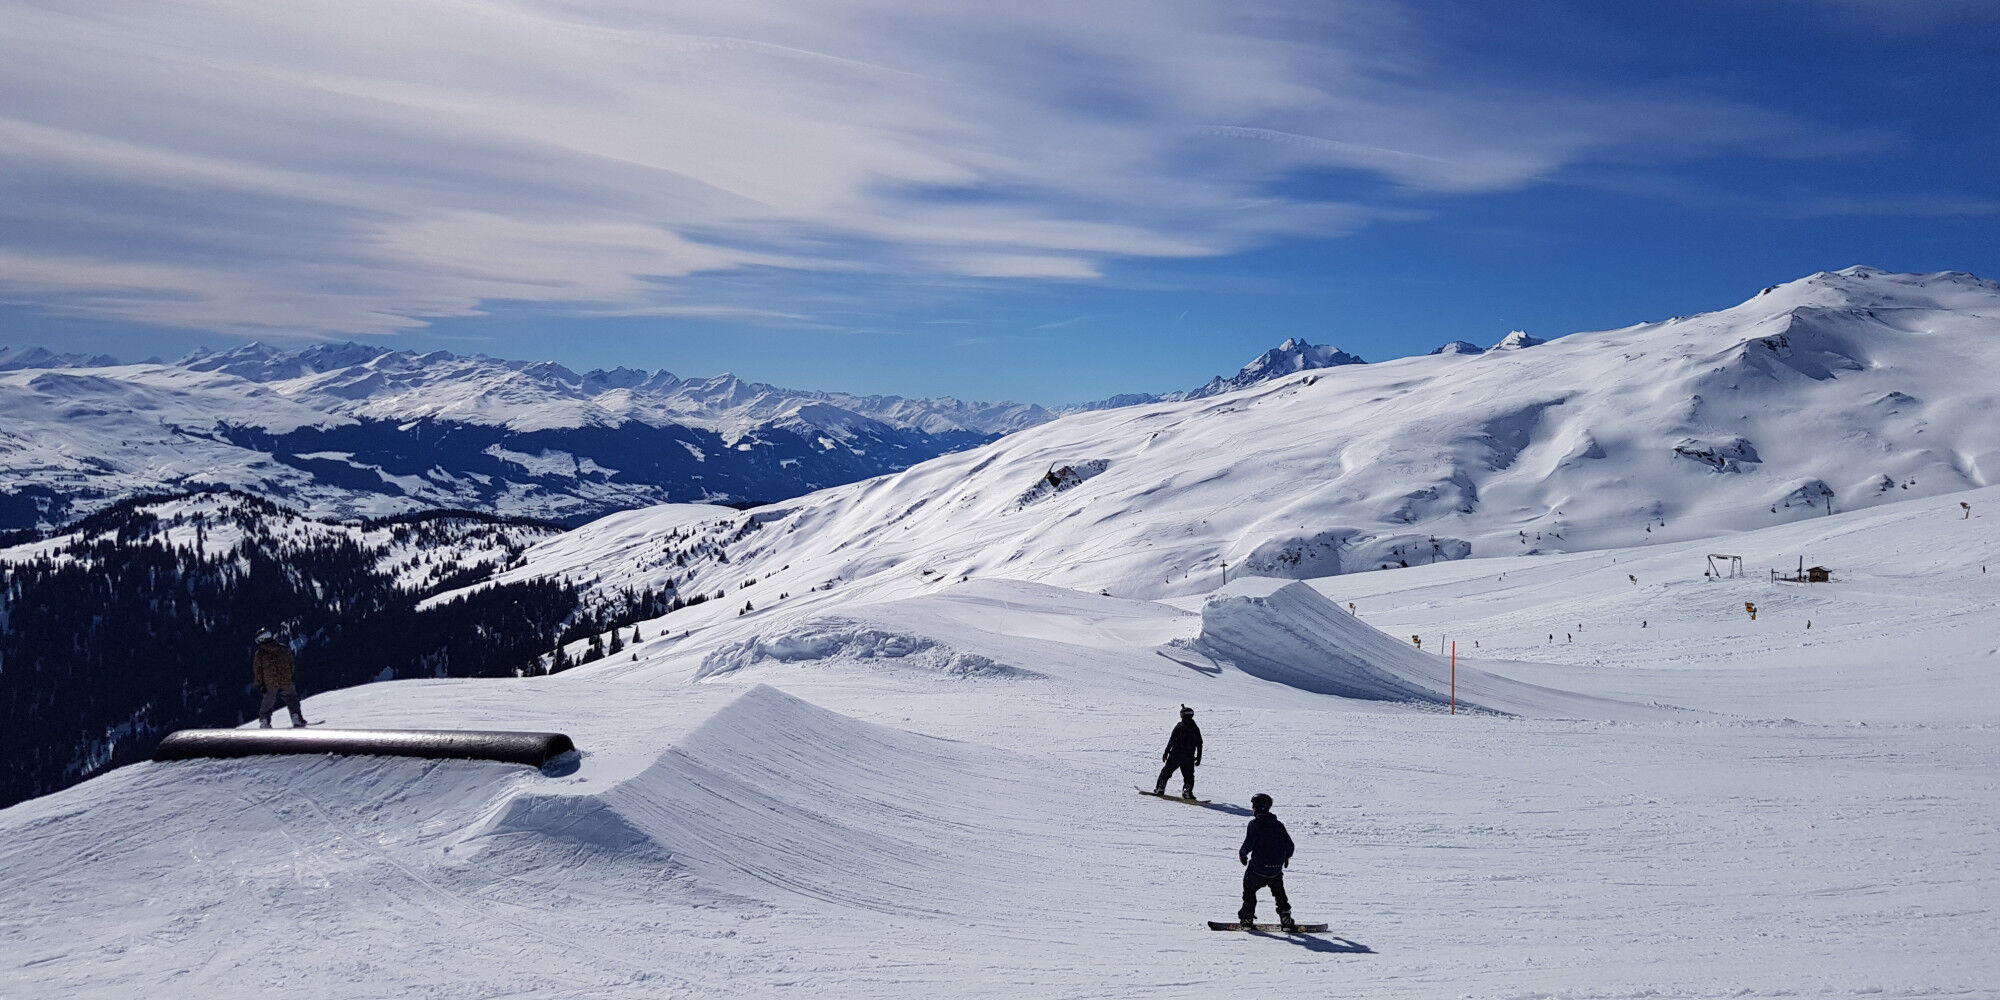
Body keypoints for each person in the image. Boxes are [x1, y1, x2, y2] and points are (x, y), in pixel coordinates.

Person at [1239, 792, 1297, 930]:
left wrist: (1242, 854)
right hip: (1275, 869)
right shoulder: (1278, 825)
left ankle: (1247, 918)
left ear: (1257, 808)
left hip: (1257, 869)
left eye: (1253, 806)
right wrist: (1286, 857)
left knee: (1249, 890)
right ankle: (1286, 919)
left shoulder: (1255, 824)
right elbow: (1290, 845)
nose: (1252, 809)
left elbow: (1249, 843)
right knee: (1279, 892)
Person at [252, 629, 309, 729]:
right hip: (286, 680)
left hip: (270, 683)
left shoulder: (260, 653)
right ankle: (296, 718)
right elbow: (291, 663)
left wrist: (260, 684)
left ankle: (264, 722)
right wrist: (291, 676)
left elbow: (258, 671)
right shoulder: (283, 648)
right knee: (292, 699)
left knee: (267, 703)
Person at [1154, 705, 1203, 798]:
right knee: (1189, 776)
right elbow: (1199, 744)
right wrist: (1199, 757)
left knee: (1166, 772)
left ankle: (1160, 788)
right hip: (1188, 757)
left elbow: (1172, 740)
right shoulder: (1195, 728)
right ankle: (1187, 791)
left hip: (1176, 755)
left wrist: (1166, 751)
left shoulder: (1179, 726)